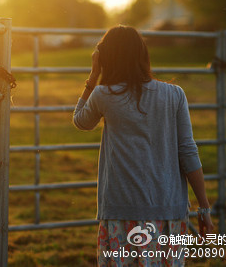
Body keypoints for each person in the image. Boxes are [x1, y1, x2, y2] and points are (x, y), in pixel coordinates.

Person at [72, 25, 214, 266]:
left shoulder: (104, 94)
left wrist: (93, 75)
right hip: (167, 210)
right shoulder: (175, 95)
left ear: (106, 57)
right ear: (142, 54)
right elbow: (188, 152)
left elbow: (81, 121)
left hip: (122, 210)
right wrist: (204, 207)